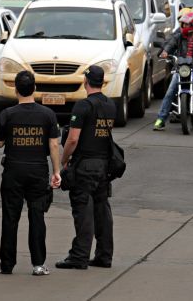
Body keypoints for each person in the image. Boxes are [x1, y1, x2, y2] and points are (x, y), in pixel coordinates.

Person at [0, 71, 61, 276]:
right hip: (38, 170)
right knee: (37, 216)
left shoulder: (8, 114)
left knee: (10, 217)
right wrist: (56, 171)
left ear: (15, 89)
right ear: (34, 88)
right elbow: (53, 145)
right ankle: (38, 264)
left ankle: (6, 264)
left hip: (13, 170)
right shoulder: (48, 114)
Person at [55, 66, 116, 270]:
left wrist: (64, 159)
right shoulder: (110, 105)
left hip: (85, 165)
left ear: (86, 81)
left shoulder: (83, 106)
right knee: (102, 210)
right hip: (104, 164)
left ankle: (79, 256)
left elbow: (73, 139)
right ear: (103, 82)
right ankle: (104, 255)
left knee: (83, 210)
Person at [154, 12, 193, 131]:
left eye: (185, 24)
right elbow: (170, 44)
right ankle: (161, 119)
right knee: (170, 90)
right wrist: (165, 51)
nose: (183, 26)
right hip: (182, 67)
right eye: (182, 24)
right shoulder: (179, 36)